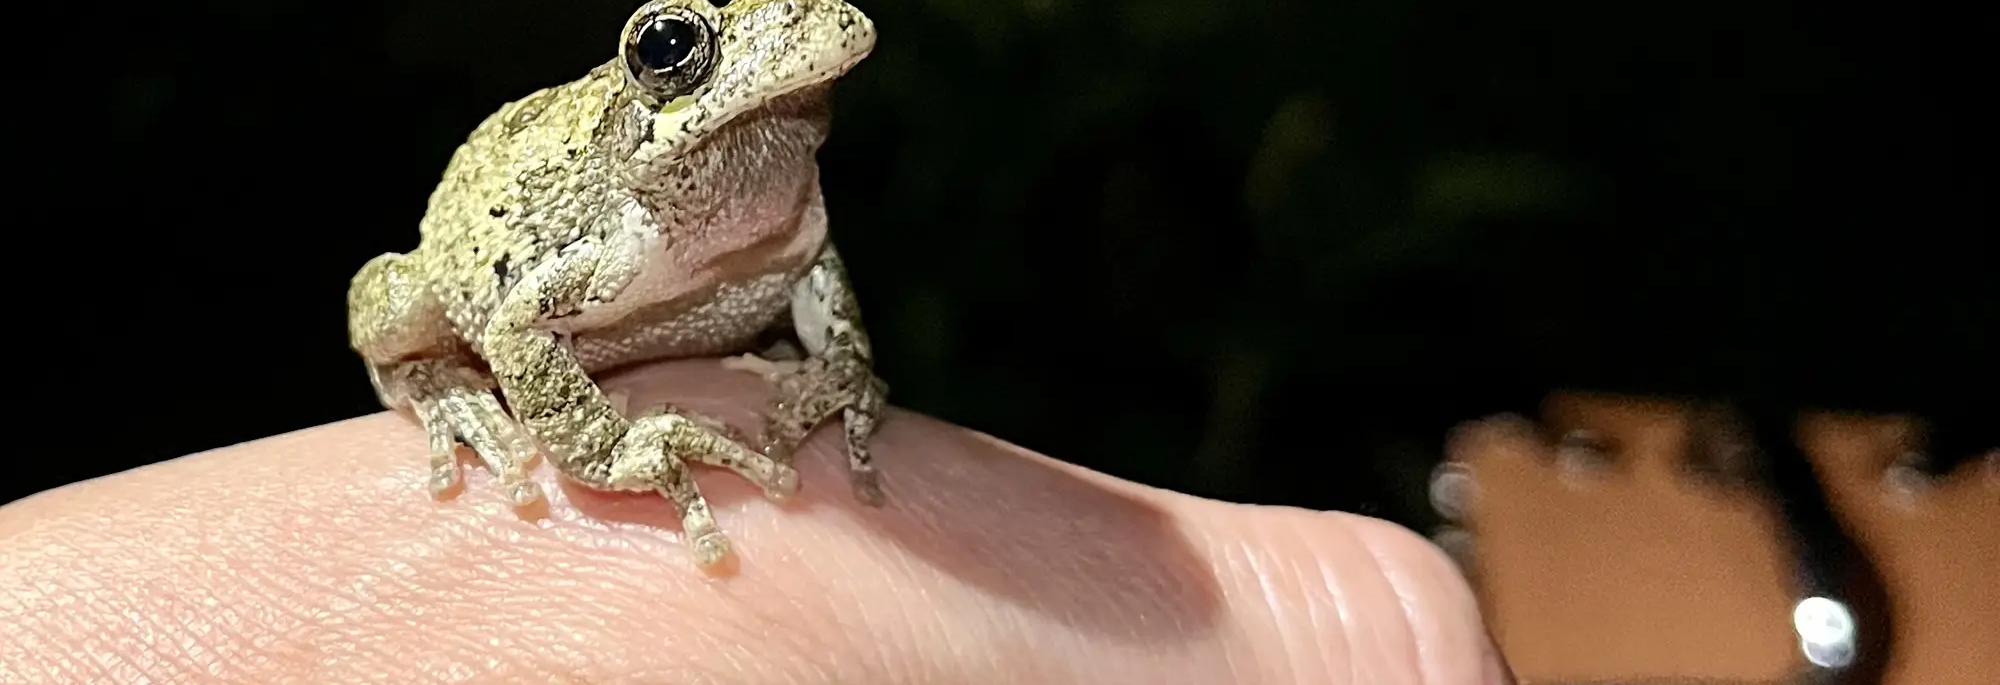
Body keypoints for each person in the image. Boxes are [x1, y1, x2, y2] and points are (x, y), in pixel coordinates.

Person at [0, 359, 1513, 683]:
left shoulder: (771, 205)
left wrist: (830, 377)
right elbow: (515, 329)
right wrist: (621, 443)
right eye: (689, 50)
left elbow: (813, 287)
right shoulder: (607, 196)